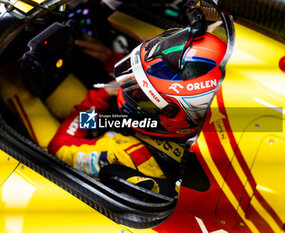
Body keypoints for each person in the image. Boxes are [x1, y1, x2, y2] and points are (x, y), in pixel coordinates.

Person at [49, 27, 226, 196]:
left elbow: (58, 147)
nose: (126, 94)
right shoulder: (217, 118)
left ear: (175, 118)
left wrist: (100, 95)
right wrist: (111, 59)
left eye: (144, 97)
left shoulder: (125, 153)